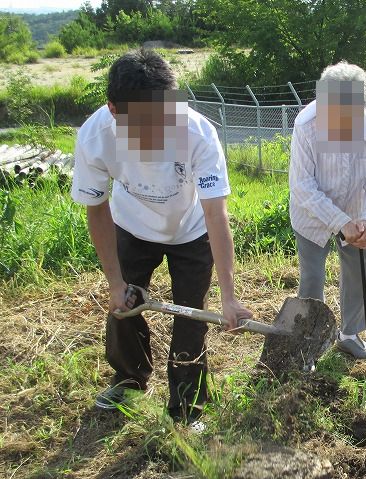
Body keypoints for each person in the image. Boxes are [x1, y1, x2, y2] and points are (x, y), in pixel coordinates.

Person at [71, 48, 252, 429]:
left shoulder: (198, 133)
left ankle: (186, 408)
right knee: (124, 308)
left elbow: (216, 213)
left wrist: (230, 296)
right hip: (132, 226)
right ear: (113, 110)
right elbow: (97, 208)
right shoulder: (95, 136)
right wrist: (115, 282)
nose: (156, 132)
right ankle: (128, 380)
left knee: (192, 317)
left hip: (191, 229)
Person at [288, 61, 366, 359]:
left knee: (361, 271)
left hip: (358, 214)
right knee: (312, 279)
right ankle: (307, 344)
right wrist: (338, 221)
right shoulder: (306, 125)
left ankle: (349, 334)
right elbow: (302, 186)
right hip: (312, 214)